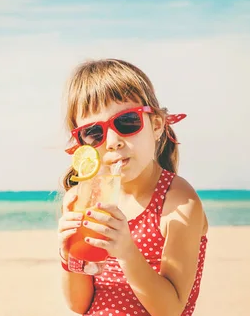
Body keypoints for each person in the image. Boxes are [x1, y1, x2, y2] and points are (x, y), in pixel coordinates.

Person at [57, 58, 209, 316]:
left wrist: (126, 252)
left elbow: (171, 310)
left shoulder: (177, 204)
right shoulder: (82, 199)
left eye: (127, 122)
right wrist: (68, 257)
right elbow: (79, 304)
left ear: (157, 125)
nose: (114, 142)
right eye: (95, 132)